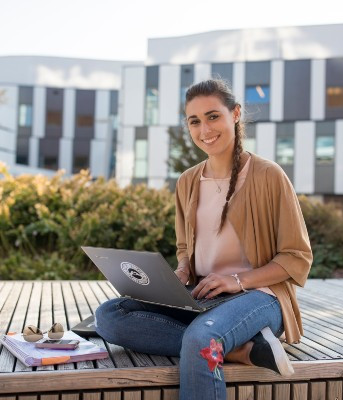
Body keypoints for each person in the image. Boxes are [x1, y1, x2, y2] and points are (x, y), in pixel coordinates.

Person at [94, 78, 313, 400]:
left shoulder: (268, 176)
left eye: (213, 116)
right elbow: (186, 248)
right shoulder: (188, 181)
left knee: (201, 339)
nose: (204, 129)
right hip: (201, 295)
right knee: (109, 317)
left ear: (235, 114)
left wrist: (237, 280)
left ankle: (217, 342)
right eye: (194, 121)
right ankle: (243, 350)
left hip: (259, 296)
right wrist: (181, 271)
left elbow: (297, 256)